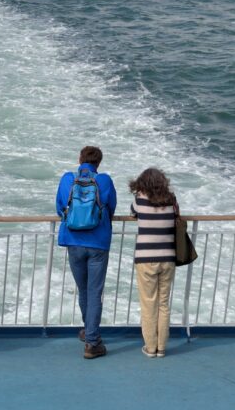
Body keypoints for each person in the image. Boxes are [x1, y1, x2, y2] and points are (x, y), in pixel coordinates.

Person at [55, 146, 117, 359]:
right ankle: (92, 340)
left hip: (73, 241)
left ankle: (88, 331)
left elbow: (60, 206)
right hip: (98, 243)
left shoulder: (67, 179)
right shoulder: (105, 181)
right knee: (94, 292)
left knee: (83, 290)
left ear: (79, 159)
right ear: (99, 162)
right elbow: (111, 207)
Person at [129, 168, 178, 358]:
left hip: (146, 258)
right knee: (163, 304)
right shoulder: (171, 198)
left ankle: (150, 348)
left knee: (149, 303)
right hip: (168, 258)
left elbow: (133, 213)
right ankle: (162, 347)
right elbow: (175, 216)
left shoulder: (140, 198)